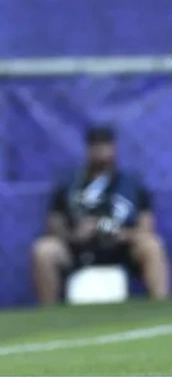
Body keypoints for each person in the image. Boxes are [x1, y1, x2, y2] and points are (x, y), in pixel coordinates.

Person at [32, 126, 168, 305]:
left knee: (152, 246)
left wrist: (121, 234)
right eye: (96, 146)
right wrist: (75, 235)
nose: (101, 151)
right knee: (44, 250)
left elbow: (146, 227)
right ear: (88, 149)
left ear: (114, 148)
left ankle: (160, 306)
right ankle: (47, 314)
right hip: (79, 248)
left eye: (105, 145)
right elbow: (54, 226)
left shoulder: (131, 184)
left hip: (122, 248)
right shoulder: (70, 184)